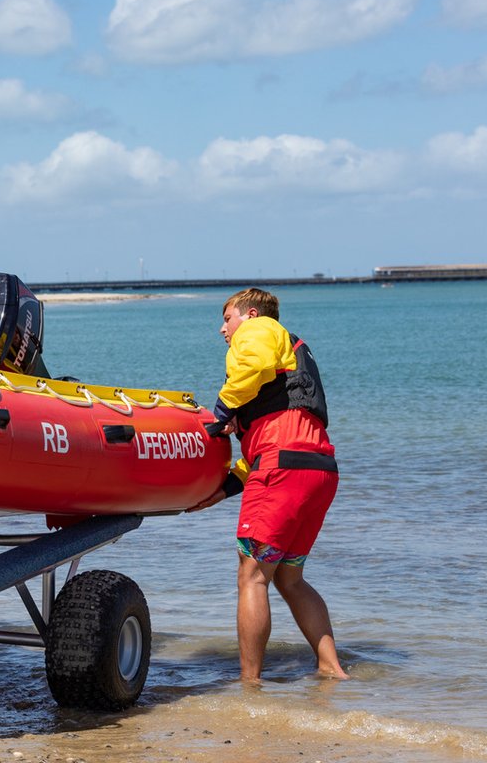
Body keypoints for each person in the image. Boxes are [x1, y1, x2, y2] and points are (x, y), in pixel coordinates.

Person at [190, 287, 348, 683]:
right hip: (319, 469)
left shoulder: (261, 330)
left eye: (227, 319)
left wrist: (224, 408)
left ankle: (250, 683)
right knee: (290, 578)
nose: (223, 329)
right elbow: (270, 440)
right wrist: (226, 487)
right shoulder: (291, 352)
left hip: (282, 468)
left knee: (252, 576)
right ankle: (331, 669)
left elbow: (252, 366)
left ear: (252, 313)